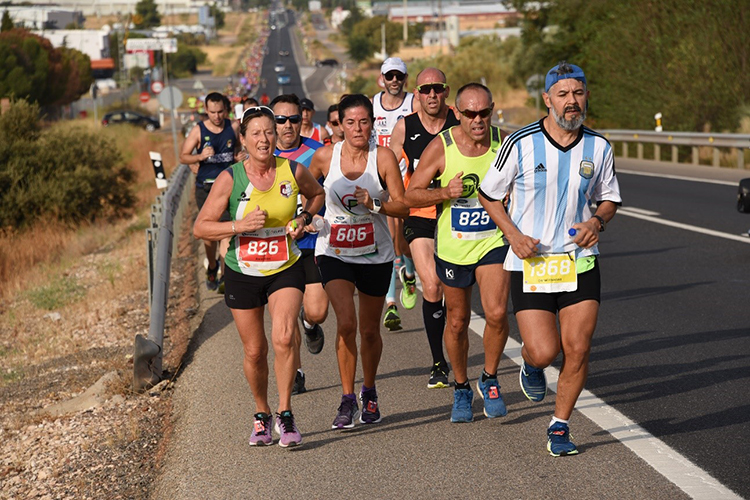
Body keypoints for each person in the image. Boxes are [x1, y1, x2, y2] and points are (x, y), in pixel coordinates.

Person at [478, 62, 621, 456]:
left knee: (578, 345)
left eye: (578, 93)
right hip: (533, 261)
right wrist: (513, 235)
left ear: (586, 96)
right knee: (544, 350)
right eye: (563, 94)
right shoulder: (520, 142)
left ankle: (560, 426)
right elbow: (489, 194)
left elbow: (609, 199)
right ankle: (530, 363)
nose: (571, 102)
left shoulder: (599, 147)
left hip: (579, 259)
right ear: (547, 99)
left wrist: (596, 221)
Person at [193, 105, 325, 448]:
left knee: (283, 337)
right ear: (244, 140)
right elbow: (201, 227)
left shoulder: (293, 170)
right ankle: (262, 413)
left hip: (285, 266)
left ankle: (286, 412)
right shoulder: (230, 178)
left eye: (269, 131)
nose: (264, 139)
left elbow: (317, 194)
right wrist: (240, 226)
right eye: (256, 133)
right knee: (255, 351)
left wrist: (303, 217)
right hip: (243, 271)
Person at [405, 83, 510, 423]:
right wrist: (444, 192)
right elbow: (411, 195)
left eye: (484, 113)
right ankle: (462, 386)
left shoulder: (504, 144)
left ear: (492, 110)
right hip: (453, 247)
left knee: (495, 313)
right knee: (458, 320)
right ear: (458, 113)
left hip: (493, 241)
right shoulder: (443, 146)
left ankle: (490, 379)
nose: (477, 120)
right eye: (469, 114)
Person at [308, 94, 408, 429]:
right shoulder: (325, 157)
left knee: (368, 330)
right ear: (339, 123)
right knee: (346, 323)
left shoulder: (384, 158)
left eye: (363, 121)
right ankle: (347, 398)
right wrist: (308, 217)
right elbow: (308, 193)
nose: (357, 128)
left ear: (372, 123)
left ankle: (370, 390)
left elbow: (402, 206)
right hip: (334, 251)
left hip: (375, 254)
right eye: (350, 122)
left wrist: (375, 205)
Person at [389, 68, 460, 388]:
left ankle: (455, 344)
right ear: (416, 93)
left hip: (457, 213)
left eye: (438, 89)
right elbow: (388, 169)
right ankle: (438, 363)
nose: (432, 95)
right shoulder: (405, 126)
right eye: (426, 89)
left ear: (446, 91)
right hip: (419, 213)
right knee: (431, 286)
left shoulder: (460, 120)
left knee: (454, 292)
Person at [270, 94, 327, 395]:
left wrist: (311, 218)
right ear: (272, 122)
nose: (288, 125)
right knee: (285, 314)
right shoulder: (262, 155)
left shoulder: (318, 153)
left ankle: (310, 326)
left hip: (310, 242)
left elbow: (327, 194)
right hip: (277, 247)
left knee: (316, 311)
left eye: (293, 118)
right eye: (280, 119)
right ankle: (296, 372)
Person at [372, 57, 418, 332]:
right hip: (384, 177)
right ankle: (390, 302)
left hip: (410, 177)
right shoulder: (373, 103)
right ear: (382, 78)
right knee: (388, 237)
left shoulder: (413, 102)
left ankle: (409, 272)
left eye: (398, 76)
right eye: (389, 76)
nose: (394, 81)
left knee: (404, 237)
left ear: (405, 78)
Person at [180, 92, 241, 291]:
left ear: (226, 110)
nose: (216, 116)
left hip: (228, 187)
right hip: (205, 188)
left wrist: (240, 156)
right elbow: (183, 156)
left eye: (220, 111)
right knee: (209, 235)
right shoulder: (198, 130)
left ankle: (225, 276)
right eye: (212, 112)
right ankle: (212, 266)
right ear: (206, 110)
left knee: (225, 231)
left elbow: (240, 149)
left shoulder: (233, 126)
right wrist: (199, 157)